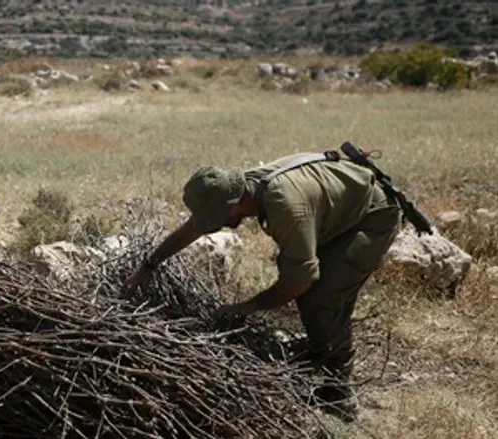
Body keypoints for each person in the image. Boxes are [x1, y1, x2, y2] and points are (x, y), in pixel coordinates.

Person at [122, 151, 402, 421]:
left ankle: (338, 391)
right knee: (306, 279)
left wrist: (247, 307)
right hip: (338, 212)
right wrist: (149, 265)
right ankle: (318, 349)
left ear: (235, 202)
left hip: (371, 216)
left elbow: (299, 282)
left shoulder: (284, 206)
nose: (218, 226)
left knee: (321, 299)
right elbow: (194, 228)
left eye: (219, 218)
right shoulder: (239, 187)